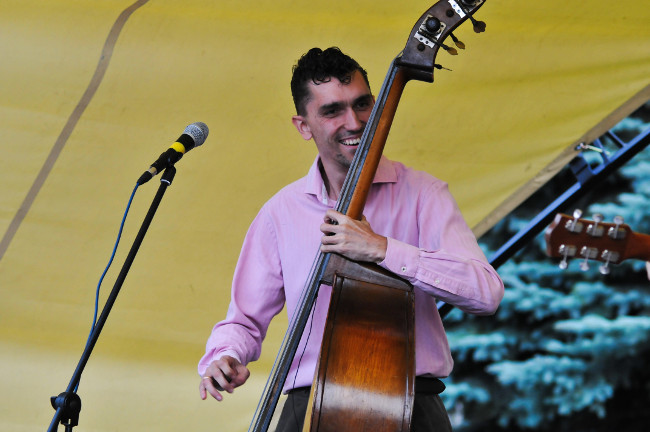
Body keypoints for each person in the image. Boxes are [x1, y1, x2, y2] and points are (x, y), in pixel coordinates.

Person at [198, 47, 504, 431]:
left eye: (362, 104)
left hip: (409, 407)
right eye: (332, 111)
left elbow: (485, 292)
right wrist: (226, 355)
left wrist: (383, 249)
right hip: (308, 408)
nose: (354, 122)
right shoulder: (280, 212)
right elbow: (243, 321)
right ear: (303, 126)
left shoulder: (424, 194)